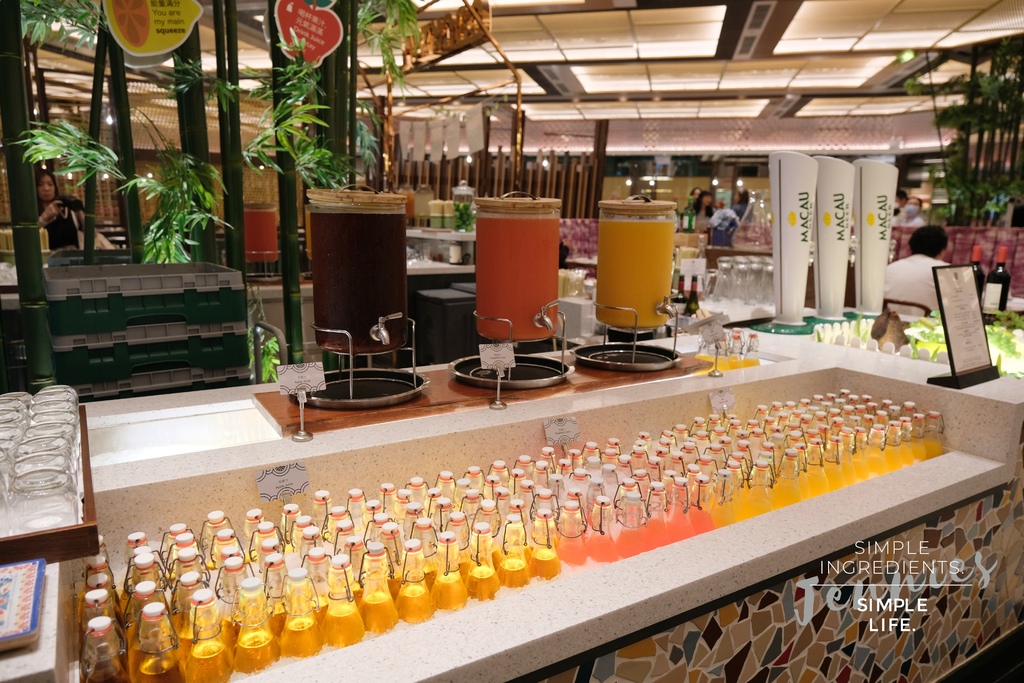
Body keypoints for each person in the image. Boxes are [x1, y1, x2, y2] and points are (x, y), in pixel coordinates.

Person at [884, 225, 947, 314]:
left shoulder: (890, 268)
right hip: (925, 322)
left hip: (887, 320)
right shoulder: (945, 271)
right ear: (942, 250)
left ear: (911, 246)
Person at [36, 169, 83, 250]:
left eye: (50, 184)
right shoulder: (32, 211)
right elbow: (28, 236)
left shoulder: (66, 208)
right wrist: (43, 219)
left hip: (73, 255)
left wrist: (79, 209)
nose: (46, 188)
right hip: (47, 256)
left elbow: (92, 234)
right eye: (40, 185)